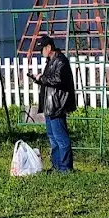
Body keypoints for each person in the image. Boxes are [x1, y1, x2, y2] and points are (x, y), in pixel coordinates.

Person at [32, 37, 76, 173]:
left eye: (42, 49)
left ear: (49, 47)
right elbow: (50, 81)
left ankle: (65, 168)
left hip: (57, 105)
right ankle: (56, 166)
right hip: (50, 105)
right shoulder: (51, 61)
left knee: (61, 138)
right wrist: (38, 79)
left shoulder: (61, 61)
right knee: (53, 138)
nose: (41, 53)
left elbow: (58, 80)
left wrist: (42, 78)